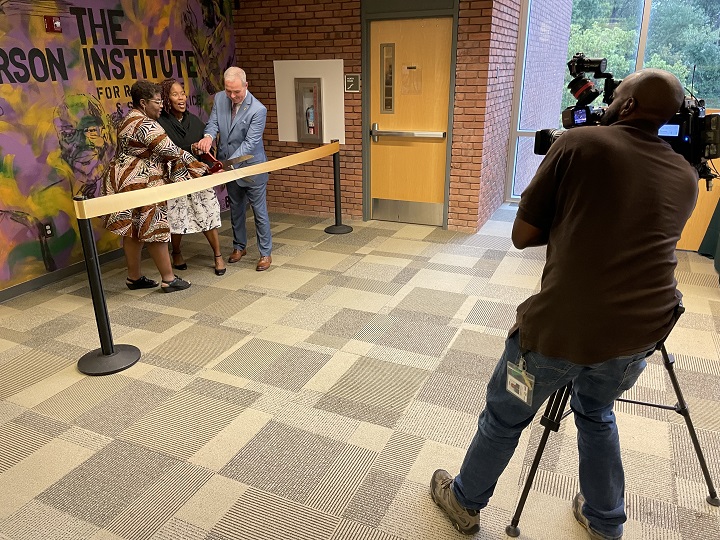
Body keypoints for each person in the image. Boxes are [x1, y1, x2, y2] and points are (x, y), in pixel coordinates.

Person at [431, 69, 699, 539]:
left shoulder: (581, 142)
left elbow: (522, 236)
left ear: (629, 106)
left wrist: (575, 214)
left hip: (563, 329)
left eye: (617, 96)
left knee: (505, 415)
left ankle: (464, 502)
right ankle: (606, 521)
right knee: (596, 414)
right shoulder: (685, 173)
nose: (609, 102)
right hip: (645, 331)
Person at [102, 80, 208, 293]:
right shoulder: (146, 125)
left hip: (124, 180)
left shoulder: (128, 119)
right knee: (155, 229)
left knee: (133, 231)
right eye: (157, 101)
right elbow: (172, 151)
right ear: (143, 102)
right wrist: (204, 168)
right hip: (142, 182)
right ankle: (168, 278)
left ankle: (134, 277)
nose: (161, 105)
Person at [195, 67, 272, 271]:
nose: (232, 96)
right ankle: (239, 247)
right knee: (236, 209)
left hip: (251, 167)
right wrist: (208, 137)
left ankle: (265, 253)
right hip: (228, 169)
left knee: (259, 212)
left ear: (246, 86)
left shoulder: (258, 110)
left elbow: (250, 144)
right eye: (228, 91)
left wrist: (225, 165)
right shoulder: (221, 99)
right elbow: (213, 124)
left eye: (236, 91)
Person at [157, 78, 226, 276]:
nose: (181, 98)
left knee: (208, 216)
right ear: (166, 98)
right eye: (175, 94)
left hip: (198, 176)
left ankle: (218, 256)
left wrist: (213, 165)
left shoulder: (194, 120)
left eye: (183, 94)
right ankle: (176, 252)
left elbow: (205, 149)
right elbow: (165, 151)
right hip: (175, 178)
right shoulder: (160, 123)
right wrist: (190, 147)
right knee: (177, 218)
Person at [53, 93, 115, 199]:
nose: (84, 142)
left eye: (91, 130)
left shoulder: (124, 178)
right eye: (69, 133)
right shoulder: (56, 198)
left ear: (105, 133)